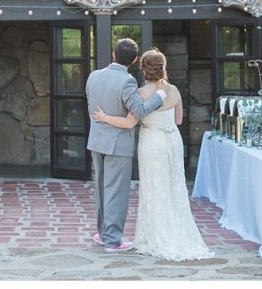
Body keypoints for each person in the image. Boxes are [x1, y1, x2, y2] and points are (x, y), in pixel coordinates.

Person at [92, 49, 214, 262]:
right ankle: (177, 233)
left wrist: (104, 117)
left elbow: (130, 123)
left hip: (151, 143)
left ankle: (154, 236)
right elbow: (178, 120)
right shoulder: (174, 90)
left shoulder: (139, 94)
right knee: (173, 187)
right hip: (172, 141)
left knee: (153, 188)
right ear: (163, 67)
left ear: (142, 68)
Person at [86, 39, 170, 252]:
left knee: (101, 190)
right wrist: (159, 96)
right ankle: (113, 241)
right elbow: (140, 111)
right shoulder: (127, 81)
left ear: (113, 54)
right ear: (134, 60)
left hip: (97, 140)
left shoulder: (93, 76)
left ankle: (103, 233)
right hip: (118, 142)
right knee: (116, 192)